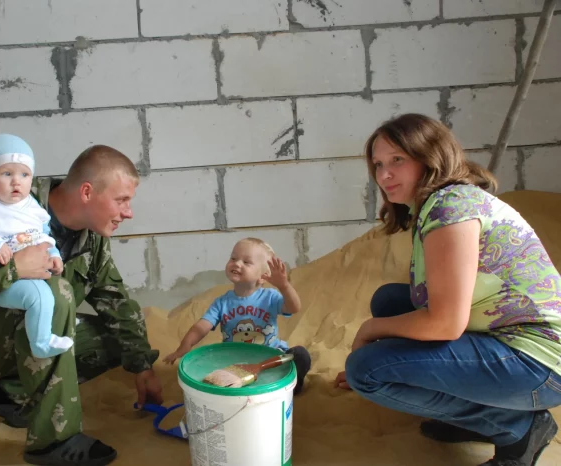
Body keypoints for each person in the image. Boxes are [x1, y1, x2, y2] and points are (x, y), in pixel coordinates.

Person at [333, 113, 561, 466]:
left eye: (397, 160)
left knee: (365, 371)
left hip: (540, 365)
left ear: (430, 157)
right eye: (378, 164)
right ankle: (478, 411)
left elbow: (446, 324)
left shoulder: (451, 209)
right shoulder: (439, 204)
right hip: (505, 335)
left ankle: (514, 426)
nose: (384, 175)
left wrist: (369, 331)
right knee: (389, 301)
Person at [0, 144, 164, 466]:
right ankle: (54, 442)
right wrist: (12, 269)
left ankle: (15, 393)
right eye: (121, 200)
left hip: (23, 334)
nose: (128, 212)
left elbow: (114, 299)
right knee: (55, 292)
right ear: (87, 192)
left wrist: (143, 366)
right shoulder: (2, 205)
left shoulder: (91, 239)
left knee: (117, 338)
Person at [0, 133, 73, 358]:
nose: (16, 181)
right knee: (39, 296)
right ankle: (41, 344)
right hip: (3, 283)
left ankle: (60, 326)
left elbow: (43, 236)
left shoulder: (33, 207)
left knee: (58, 291)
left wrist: (54, 254)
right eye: (6, 173)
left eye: (24, 174)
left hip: (33, 275)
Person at [163, 237, 312, 394]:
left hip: (270, 358)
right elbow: (201, 327)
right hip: (234, 360)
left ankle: (294, 385)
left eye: (246, 262)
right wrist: (186, 344)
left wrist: (284, 286)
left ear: (263, 277)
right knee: (210, 369)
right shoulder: (222, 303)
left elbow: (294, 307)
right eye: (233, 258)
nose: (237, 263)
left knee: (300, 355)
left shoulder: (270, 297)